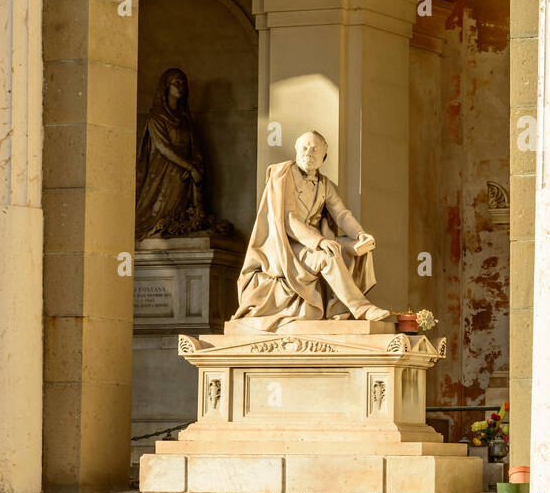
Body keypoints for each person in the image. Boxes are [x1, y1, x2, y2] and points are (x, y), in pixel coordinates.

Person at [231, 129, 391, 330]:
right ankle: (361, 308)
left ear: (324, 156)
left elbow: (341, 214)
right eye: (305, 147)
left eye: (315, 149)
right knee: (326, 257)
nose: (309, 152)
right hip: (286, 245)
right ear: (296, 150)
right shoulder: (283, 175)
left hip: (312, 241)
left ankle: (341, 310)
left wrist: (359, 235)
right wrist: (320, 242)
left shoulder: (325, 184)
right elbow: (288, 220)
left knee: (356, 249)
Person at [135, 68, 203, 238]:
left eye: (183, 83)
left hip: (182, 176)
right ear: (166, 87)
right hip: (163, 174)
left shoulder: (185, 120)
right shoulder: (156, 118)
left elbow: (194, 147)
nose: (180, 87)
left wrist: (195, 165)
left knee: (178, 211)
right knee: (158, 212)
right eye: (176, 83)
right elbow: (163, 147)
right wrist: (189, 167)